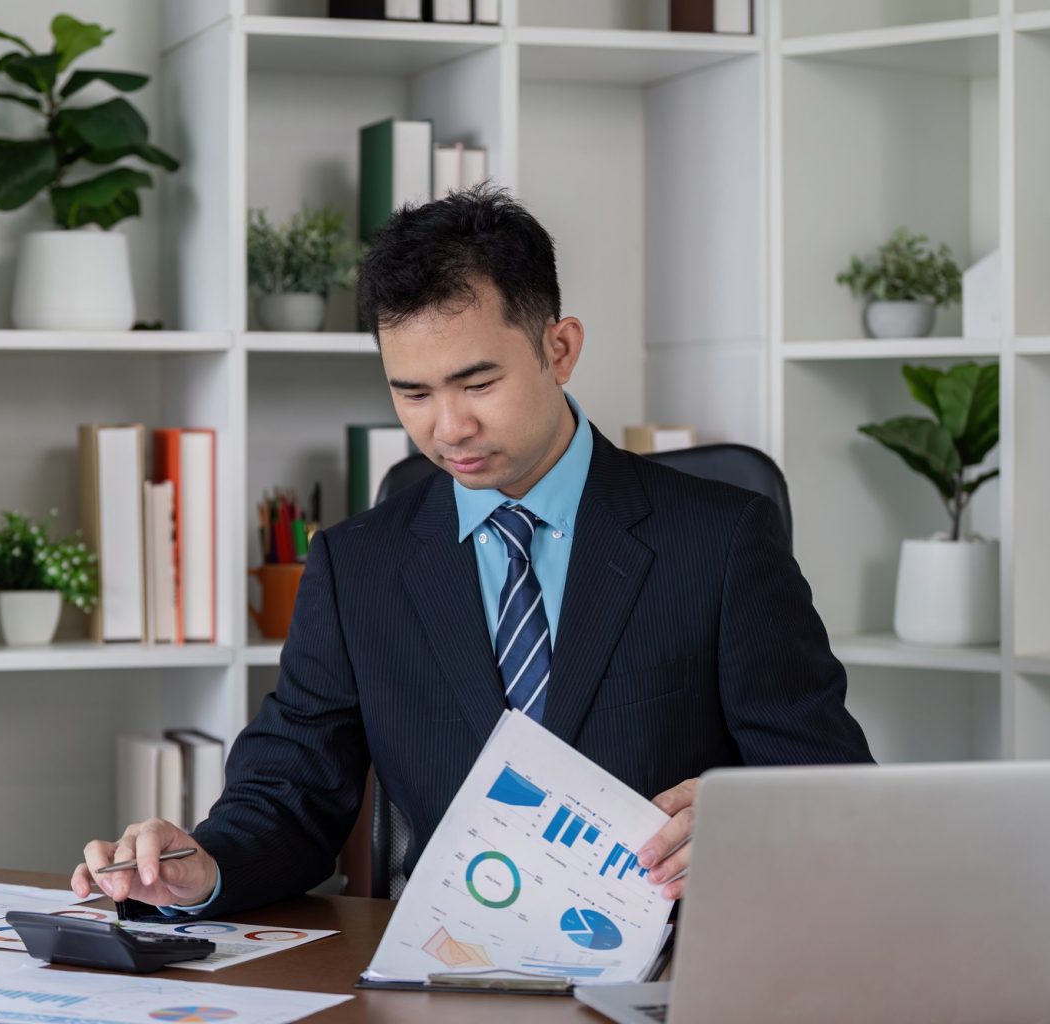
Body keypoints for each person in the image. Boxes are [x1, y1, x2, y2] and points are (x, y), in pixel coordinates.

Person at [73, 186, 873, 916]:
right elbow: (288, 794)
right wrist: (202, 867)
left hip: (671, 962)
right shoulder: (359, 566)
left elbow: (832, 794)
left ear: (559, 349)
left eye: (477, 383)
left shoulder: (722, 540)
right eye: (411, 393)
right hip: (452, 963)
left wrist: (746, 823)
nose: (446, 428)